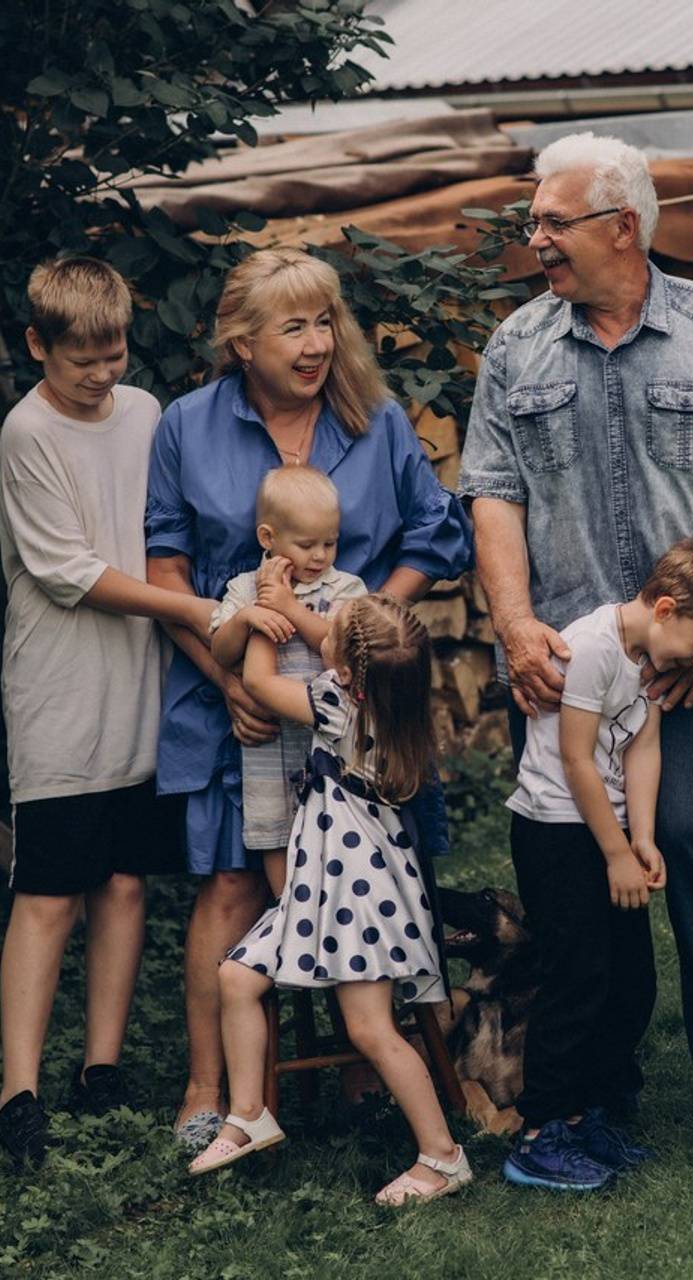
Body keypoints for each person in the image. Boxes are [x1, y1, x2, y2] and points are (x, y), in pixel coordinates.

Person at [460, 132, 693, 1144]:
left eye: (551, 221)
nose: (535, 238)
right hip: (564, 666)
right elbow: (492, 494)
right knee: (575, 872)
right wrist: (515, 626)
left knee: (689, 835)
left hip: (677, 666)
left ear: (622, 226)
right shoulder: (517, 347)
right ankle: (593, 1076)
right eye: (532, 221)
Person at [146, 248, 473, 1150]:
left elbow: (436, 535)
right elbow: (166, 570)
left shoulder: (377, 420)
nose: (318, 343)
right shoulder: (187, 426)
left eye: (326, 321)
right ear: (242, 342)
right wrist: (229, 683)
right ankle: (209, 1087)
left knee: (358, 866)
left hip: (359, 706)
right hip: (230, 689)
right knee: (231, 880)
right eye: (294, 326)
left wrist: (363, 637)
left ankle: (366, 1067)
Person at [0, 258, 216, 1168]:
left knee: (125, 883)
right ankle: (17, 1094)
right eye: (80, 360)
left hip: (141, 681)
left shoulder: (145, 414)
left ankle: (103, 1069)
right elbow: (70, 573)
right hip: (59, 689)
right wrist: (199, 611)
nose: (101, 374)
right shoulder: (25, 431)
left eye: (114, 354)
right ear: (36, 344)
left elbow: (161, 532)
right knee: (49, 893)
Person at [188, 594, 468, 1204]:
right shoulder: (393, 699)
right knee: (237, 977)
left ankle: (443, 1156)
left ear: (345, 671)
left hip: (355, 896)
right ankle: (249, 1113)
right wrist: (296, 606)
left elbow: (259, 682)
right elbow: (343, 643)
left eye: (331, 632)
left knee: (370, 1029)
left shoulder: (337, 705)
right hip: (324, 890)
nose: (320, 633)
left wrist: (263, 612)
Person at [503, 540, 693, 1190]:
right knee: (577, 977)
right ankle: (539, 1133)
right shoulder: (591, 648)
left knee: (631, 981)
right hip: (557, 832)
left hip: (608, 833)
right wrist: (614, 852)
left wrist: (641, 839)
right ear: (666, 609)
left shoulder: (647, 658)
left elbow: (642, 748)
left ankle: (584, 1113)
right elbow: (576, 758)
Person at [209, 466, 366, 895]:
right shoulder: (244, 589)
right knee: (276, 832)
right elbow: (221, 653)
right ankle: (287, 910)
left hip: (330, 746)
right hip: (269, 745)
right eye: (306, 544)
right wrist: (247, 618)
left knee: (335, 828)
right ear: (268, 538)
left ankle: (335, 911)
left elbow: (344, 648)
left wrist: (291, 610)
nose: (320, 556)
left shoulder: (346, 588)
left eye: (330, 543)